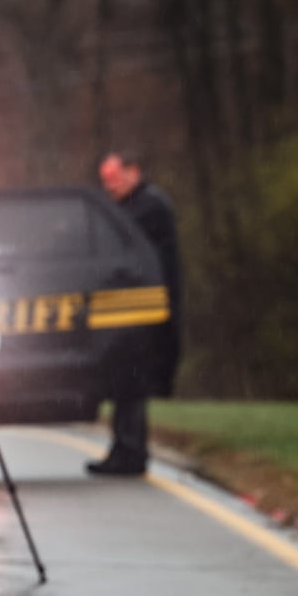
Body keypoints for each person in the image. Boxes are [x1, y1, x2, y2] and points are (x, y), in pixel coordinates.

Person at [89, 150, 182, 476]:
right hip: (129, 308)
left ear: (133, 172)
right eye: (105, 182)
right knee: (123, 382)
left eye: (113, 180)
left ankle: (132, 451)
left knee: (133, 382)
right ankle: (122, 449)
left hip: (148, 308)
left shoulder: (149, 208)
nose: (109, 187)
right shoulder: (130, 207)